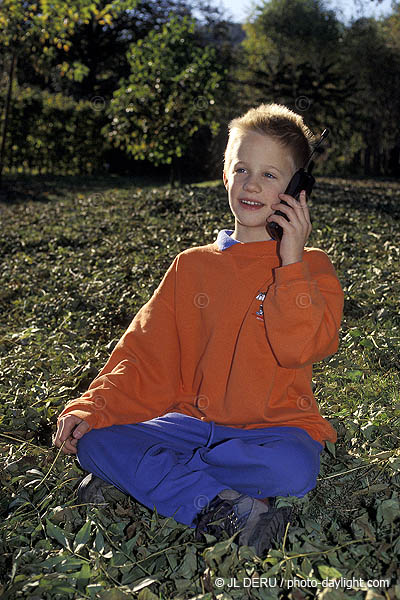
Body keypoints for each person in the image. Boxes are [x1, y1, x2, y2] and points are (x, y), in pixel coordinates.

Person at [54, 103, 344, 556]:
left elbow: (301, 347)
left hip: (272, 428)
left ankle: (153, 481)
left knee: (294, 469)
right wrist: (95, 405)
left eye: (270, 175)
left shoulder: (312, 268)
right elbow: (144, 352)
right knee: (96, 441)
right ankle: (224, 503)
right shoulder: (191, 266)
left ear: (298, 190)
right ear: (225, 174)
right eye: (242, 168)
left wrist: (291, 264)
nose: (251, 184)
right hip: (186, 422)